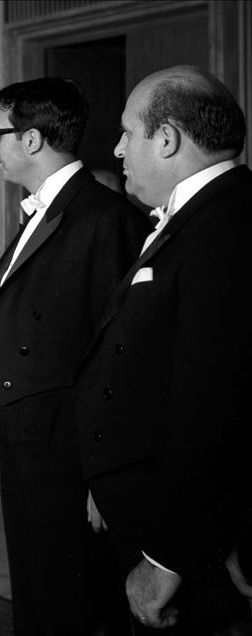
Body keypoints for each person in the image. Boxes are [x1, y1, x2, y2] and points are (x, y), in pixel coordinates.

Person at [0, 78, 151, 635]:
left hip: (72, 449)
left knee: (72, 598)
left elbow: (121, 357)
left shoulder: (104, 218)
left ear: (30, 140)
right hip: (31, 438)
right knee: (39, 586)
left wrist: (104, 477)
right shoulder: (43, 212)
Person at [76, 65, 252, 634]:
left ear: (168, 138)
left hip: (189, 535)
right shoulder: (196, 216)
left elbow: (216, 411)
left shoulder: (228, 226)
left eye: (128, 132)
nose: (117, 148)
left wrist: (164, 558)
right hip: (146, 503)